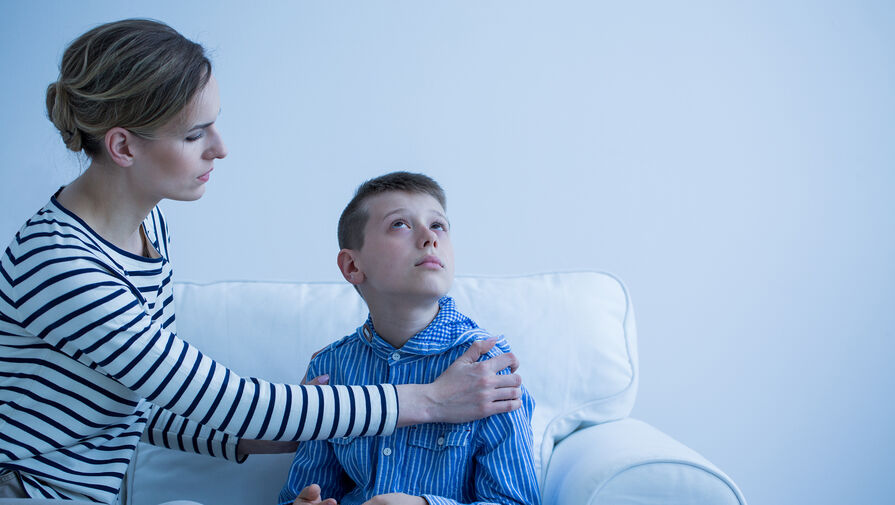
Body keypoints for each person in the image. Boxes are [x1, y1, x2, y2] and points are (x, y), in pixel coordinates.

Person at [0, 19, 523, 504]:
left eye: (214, 126)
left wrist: (258, 437)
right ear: (123, 146)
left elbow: (135, 400)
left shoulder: (147, 229)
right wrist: (431, 400)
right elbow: (218, 395)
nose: (219, 148)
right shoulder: (60, 267)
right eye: (194, 134)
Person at [278, 172, 539, 505]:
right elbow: (305, 491)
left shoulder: (487, 368)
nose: (430, 238)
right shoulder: (330, 369)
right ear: (353, 265)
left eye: (438, 225)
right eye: (400, 224)